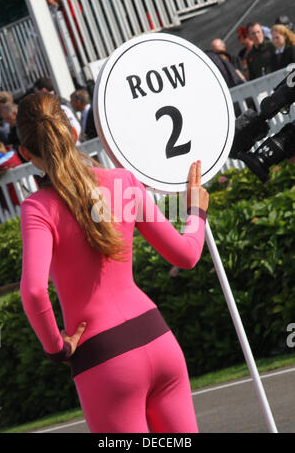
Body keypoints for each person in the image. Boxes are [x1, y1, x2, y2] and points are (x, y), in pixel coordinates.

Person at [18, 92, 209, 433]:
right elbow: (187, 254)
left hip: (104, 359)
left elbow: (33, 291)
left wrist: (58, 348)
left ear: (26, 155)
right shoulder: (123, 182)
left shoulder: (38, 207)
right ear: (73, 134)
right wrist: (196, 210)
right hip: (158, 338)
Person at [34, 77, 82, 143]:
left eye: (37, 92)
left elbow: (74, 126)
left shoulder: (57, 104)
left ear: (44, 90)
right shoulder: (62, 101)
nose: (36, 96)